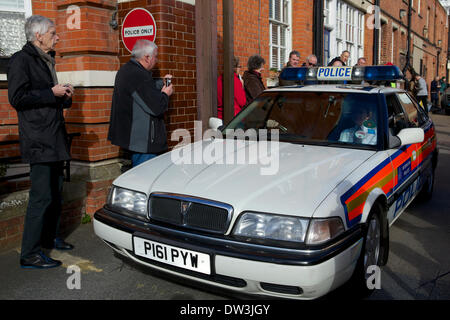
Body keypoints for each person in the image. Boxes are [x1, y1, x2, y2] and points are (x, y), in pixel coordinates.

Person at [7, 15, 75, 269]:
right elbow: (18, 98)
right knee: (41, 196)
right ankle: (30, 253)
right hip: (39, 139)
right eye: (54, 33)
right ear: (39, 35)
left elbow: (49, 99)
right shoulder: (21, 60)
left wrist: (64, 95)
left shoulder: (46, 60)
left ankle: (50, 237)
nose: (57, 37)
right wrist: (51, 92)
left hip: (54, 137)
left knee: (55, 193)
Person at [108, 40, 173, 167]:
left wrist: (160, 84)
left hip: (134, 139)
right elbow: (157, 107)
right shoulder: (138, 75)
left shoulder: (126, 70)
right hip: (143, 142)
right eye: (155, 56)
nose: (157, 60)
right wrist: (166, 94)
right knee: (145, 179)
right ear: (147, 57)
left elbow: (142, 93)